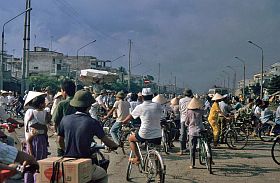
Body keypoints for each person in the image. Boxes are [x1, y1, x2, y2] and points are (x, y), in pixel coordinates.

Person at [57, 90, 118, 183]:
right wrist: (115, 146)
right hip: (85, 162)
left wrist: (66, 150)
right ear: (89, 106)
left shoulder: (65, 119)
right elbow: (106, 140)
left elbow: (59, 141)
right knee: (103, 175)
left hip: (68, 161)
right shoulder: (92, 122)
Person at [122, 88, 162, 164]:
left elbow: (131, 116)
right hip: (157, 134)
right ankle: (159, 171)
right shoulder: (158, 105)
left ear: (142, 97)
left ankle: (137, 158)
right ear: (152, 96)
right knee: (155, 152)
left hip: (144, 133)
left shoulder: (140, 107)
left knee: (131, 139)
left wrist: (123, 121)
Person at [24, 91, 50, 183]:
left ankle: (31, 179)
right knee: (37, 162)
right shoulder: (34, 112)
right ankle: (36, 179)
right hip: (37, 139)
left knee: (33, 161)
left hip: (34, 139)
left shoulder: (31, 112)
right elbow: (36, 126)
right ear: (40, 104)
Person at [51, 79, 76, 156]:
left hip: (63, 137)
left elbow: (55, 121)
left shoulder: (62, 104)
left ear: (64, 91)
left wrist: (56, 131)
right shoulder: (80, 102)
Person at [185, 97, 205, 169]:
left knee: (192, 148)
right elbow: (205, 115)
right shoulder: (200, 111)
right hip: (200, 130)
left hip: (192, 132)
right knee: (206, 142)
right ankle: (209, 158)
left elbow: (186, 122)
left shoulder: (189, 112)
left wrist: (187, 124)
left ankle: (192, 164)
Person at [178, 89, 193, 155]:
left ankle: (182, 149)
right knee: (192, 133)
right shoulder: (192, 100)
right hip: (191, 119)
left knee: (183, 134)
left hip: (183, 119)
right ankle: (192, 148)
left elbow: (180, 110)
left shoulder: (181, 100)